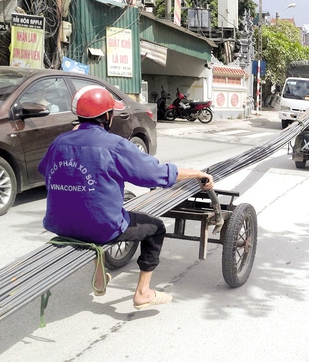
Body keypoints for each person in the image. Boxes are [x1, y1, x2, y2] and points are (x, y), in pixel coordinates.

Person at [38, 85, 214, 310]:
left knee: (89, 216)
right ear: (107, 117)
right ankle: (143, 293)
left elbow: (45, 171)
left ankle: (100, 279)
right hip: (101, 228)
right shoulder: (114, 146)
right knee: (156, 228)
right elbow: (154, 175)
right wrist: (197, 173)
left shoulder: (59, 143)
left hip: (58, 225)